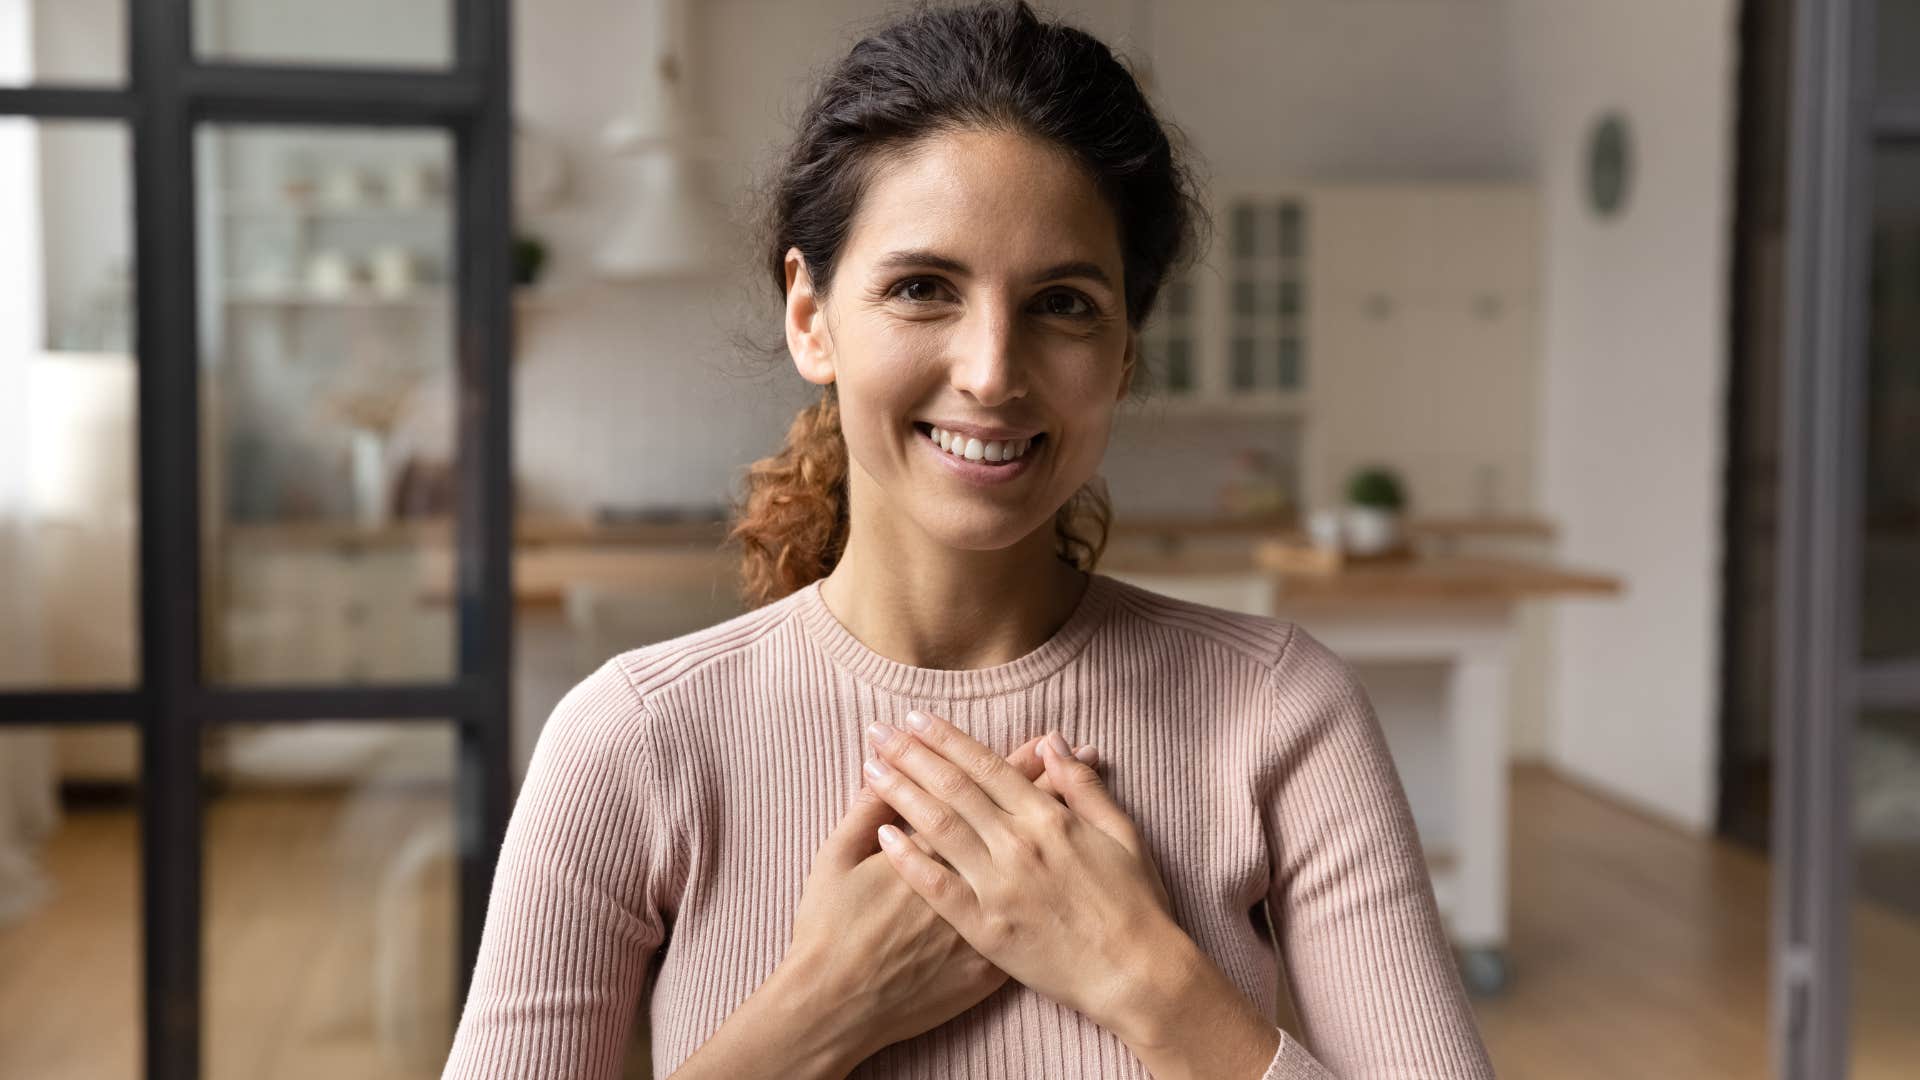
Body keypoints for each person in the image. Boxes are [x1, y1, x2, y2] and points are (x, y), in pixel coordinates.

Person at [441, 3, 1497, 1077]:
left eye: (1065, 304)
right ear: (811, 315)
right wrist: (820, 1012)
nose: (992, 369)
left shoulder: (1282, 716)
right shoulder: (631, 747)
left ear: (1126, 350)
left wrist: (1149, 982)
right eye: (922, 289)